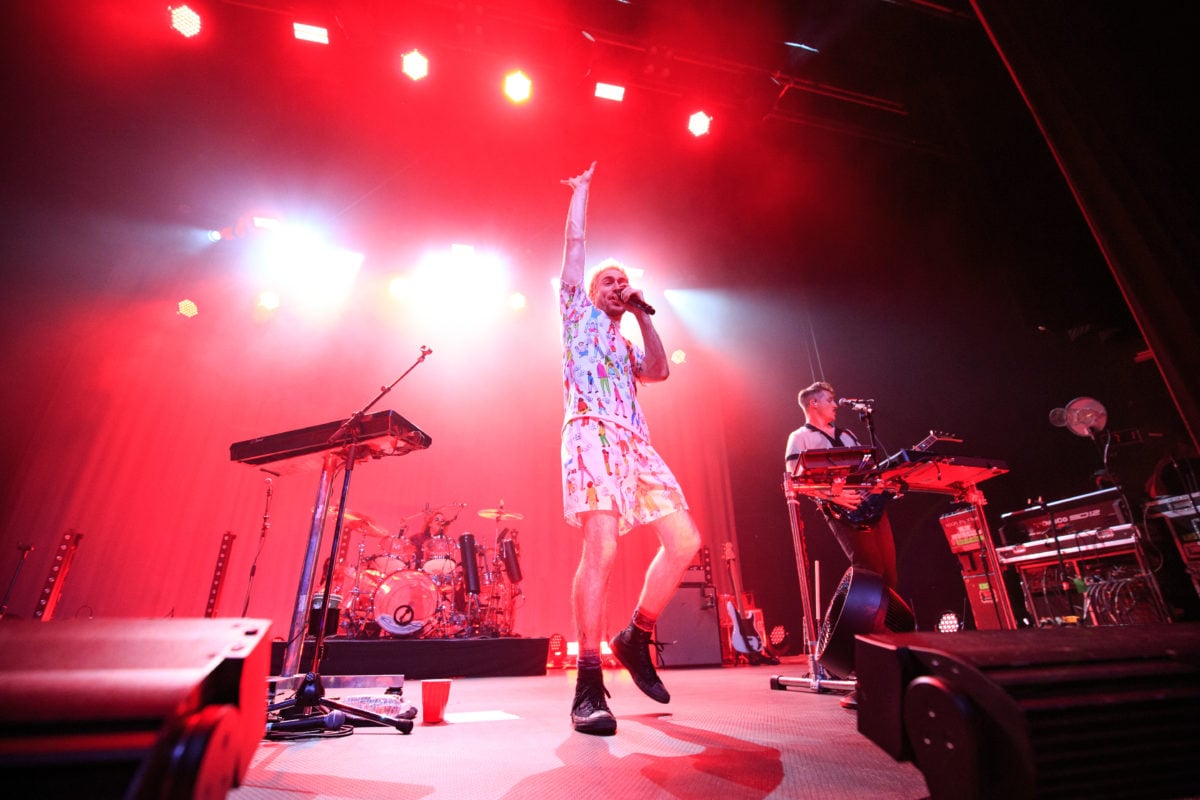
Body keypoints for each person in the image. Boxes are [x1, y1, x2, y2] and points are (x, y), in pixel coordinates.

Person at [558, 162, 703, 736]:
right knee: (602, 547)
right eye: (609, 282)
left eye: (624, 281)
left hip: (635, 443)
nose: (618, 287)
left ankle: (636, 635)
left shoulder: (623, 338)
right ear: (590, 292)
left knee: (686, 540)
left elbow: (661, 372)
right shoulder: (576, 315)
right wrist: (582, 195)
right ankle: (588, 681)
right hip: (591, 431)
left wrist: (643, 314)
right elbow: (574, 247)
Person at [784, 381, 898, 707]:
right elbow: (795, 483)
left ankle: (891, 664)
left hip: (872, 509)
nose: (836, 405)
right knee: (869, 584)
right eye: (830, 400)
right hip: (843, 512)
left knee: (890, 580)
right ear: (814, 403)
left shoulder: (847, 435)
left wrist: (881, 484)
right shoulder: (799, 437)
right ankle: (863, 676)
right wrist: (832, 494)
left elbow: (866, 468)